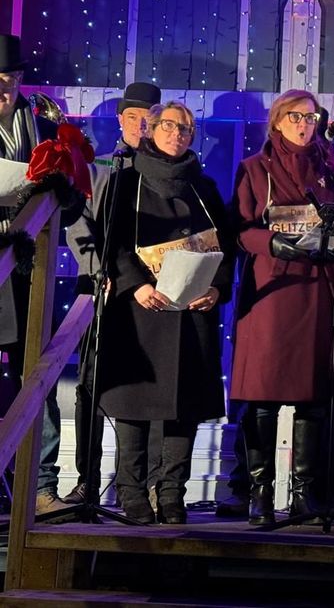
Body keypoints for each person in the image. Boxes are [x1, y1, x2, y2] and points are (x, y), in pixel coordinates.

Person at [229, 89, 334, 526]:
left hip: (320, 291)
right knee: (264, 397)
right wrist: (273, 241)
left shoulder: (333, 171)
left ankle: (307, 493)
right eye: (295, 116)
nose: (305, 124)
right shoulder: (253, 169)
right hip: (274, 291)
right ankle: (260, 494)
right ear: (276, 121)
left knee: (315, 399)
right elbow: (238, 230)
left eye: (311, 116)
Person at [98, 101, 234, 524]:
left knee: (185, 405)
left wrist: (216, 288)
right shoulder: (126, 181)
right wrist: (135, 285)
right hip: (142, 310)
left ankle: (172, 491)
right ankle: (132, 491)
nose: (178, 134)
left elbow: (226, 248)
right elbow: (111, 242)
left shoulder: (205, 187)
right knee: (135, 403)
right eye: (171, 126)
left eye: (187, 129)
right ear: (151, 129)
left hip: (192, 311)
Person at [64, 81, 161, 506]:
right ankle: (87, 478)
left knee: (149, 388)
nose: (143, 125)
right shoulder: (99, 167)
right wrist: (97, 269)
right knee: (91, 385)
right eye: (135, 117)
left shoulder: (167, 169)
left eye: (151, 119)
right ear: (121, 120)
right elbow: (79, 226)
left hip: (149, 295)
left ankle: (142, 483)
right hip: (101, 289)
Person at [0, 32, 74, 516]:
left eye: (10, 80)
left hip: (29, 265)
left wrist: (58, 186)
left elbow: (62, 188)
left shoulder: (38, 121)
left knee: (36, 370)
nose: (3, 89)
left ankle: (39, 484)